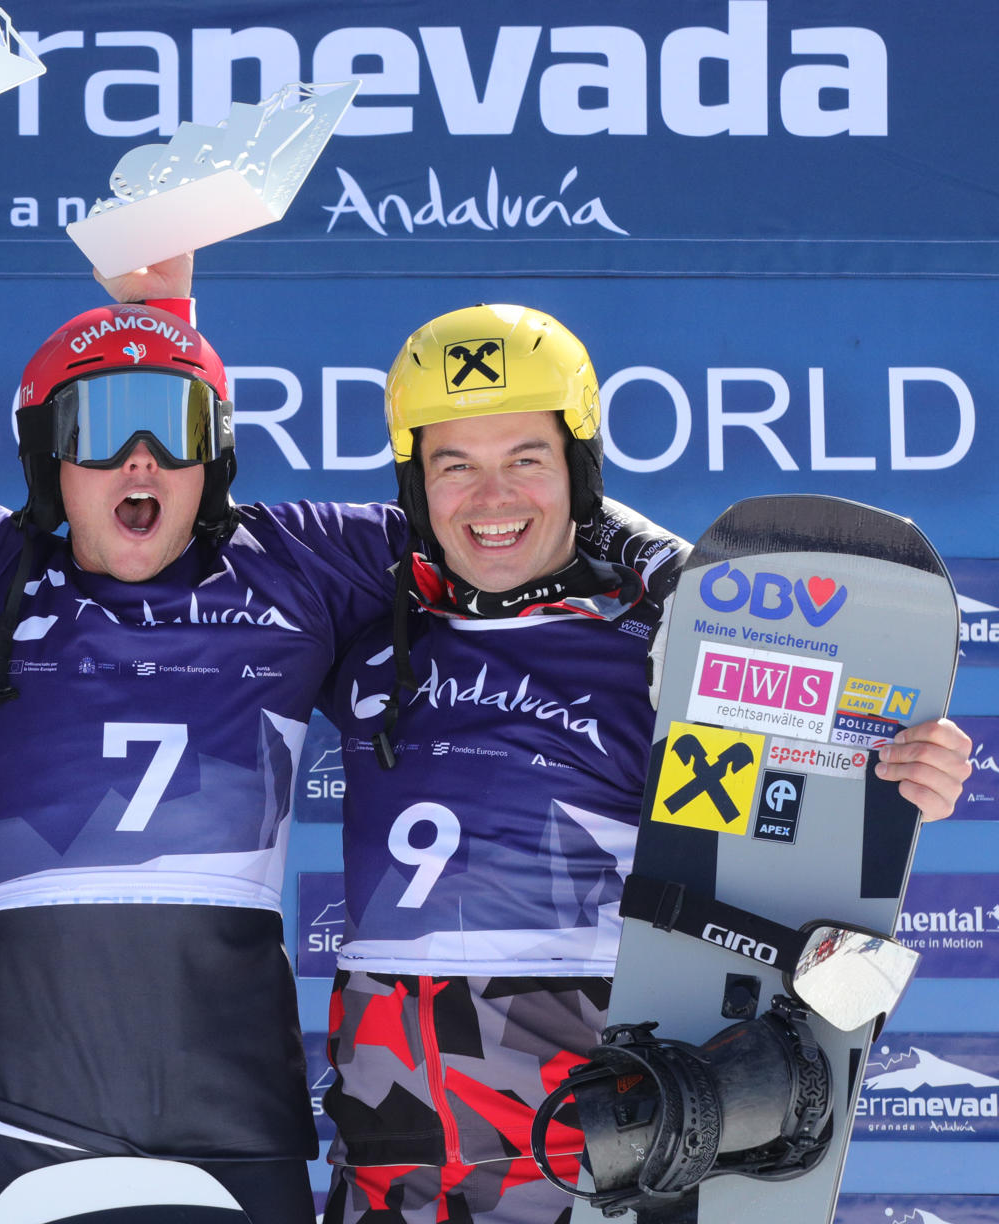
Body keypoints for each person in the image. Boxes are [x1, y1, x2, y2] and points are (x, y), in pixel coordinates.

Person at [0, 105, 686, 1224]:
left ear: (218, 457)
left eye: (172, 425)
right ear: (48, 458)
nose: (138, 458)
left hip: (237, 1123)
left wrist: (684, 576)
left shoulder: (295, 563)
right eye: (101, 427)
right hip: (20, 1111)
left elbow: (502, 513)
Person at [314, 303, 973, 1224]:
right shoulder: (366, 621)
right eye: (453, 465)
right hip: (390, 1143)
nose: (491, 497)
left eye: (526, 461)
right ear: (415, 486)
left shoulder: (669, 647)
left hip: (584, 1130)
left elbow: (821, 787)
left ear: (579, 472)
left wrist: (906, 773)